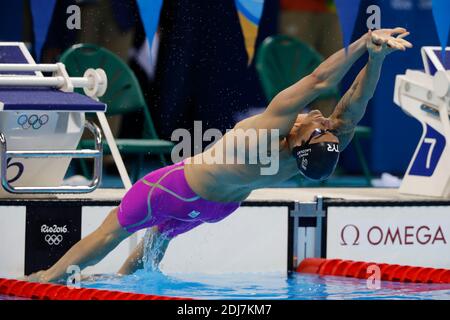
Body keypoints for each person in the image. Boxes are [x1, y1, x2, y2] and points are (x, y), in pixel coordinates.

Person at [27, 28, 412, 283]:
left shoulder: (266, 135)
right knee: (142, 265)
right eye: (324, 125)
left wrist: (363, 43)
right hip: (217, 208)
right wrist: (376, 60)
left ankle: (49, 278)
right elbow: (354, 105)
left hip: (175, 189)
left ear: (299, 140)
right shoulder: (305, 156)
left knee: (111, 232)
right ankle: (124, 286)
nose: (319, 118)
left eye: (316, 125)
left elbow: (319, 82)